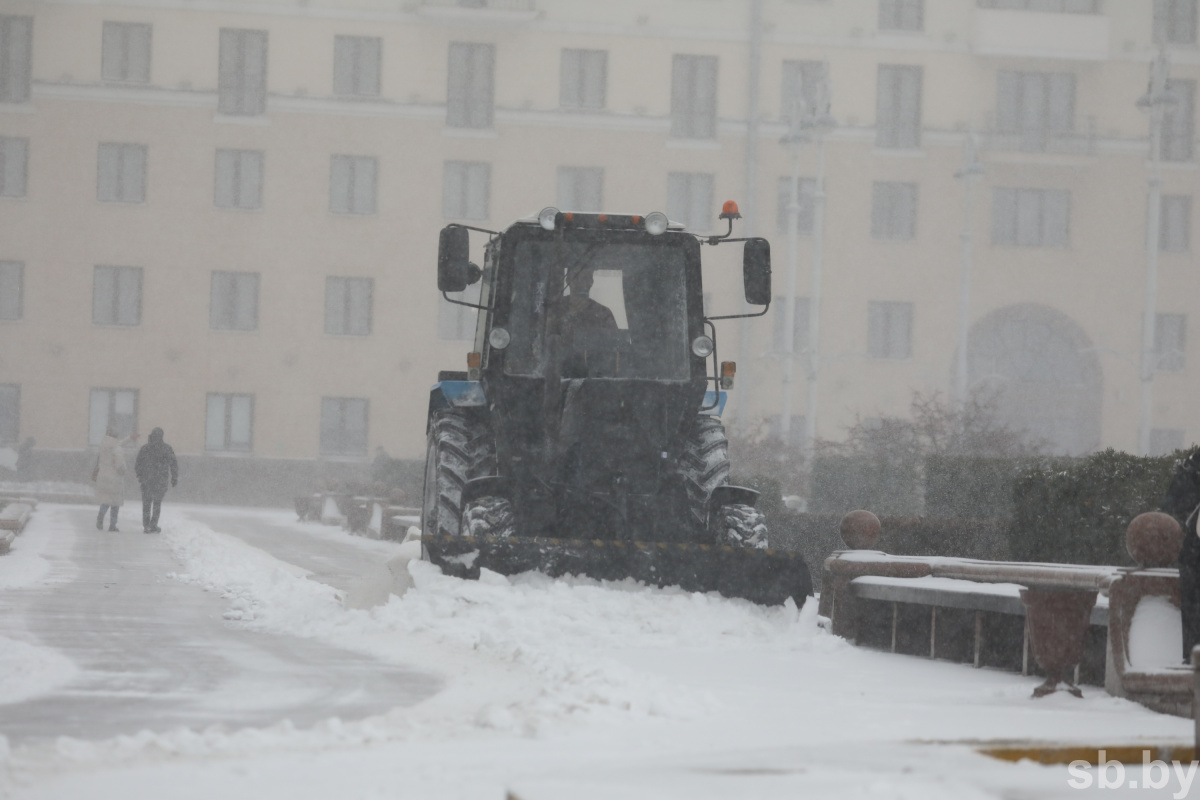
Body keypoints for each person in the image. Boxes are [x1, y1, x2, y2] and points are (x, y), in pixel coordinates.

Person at [1160, 447, 1200, 661]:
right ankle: (1190, 659)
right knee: (1193, 613)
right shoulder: (1192, 466)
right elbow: (1172, 503)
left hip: (1193, 556)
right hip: (1194, 555)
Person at [93, 427, 138, 532]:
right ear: (115, 436)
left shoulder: (104, 446)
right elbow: (120, 466)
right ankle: (112, 525)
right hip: (114, 479)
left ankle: (100, 517)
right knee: (115, 503)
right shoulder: (116, 449)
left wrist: (130, 438)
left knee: (105, 500)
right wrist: (124, 471)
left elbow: (119, 443)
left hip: (103, 477)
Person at [135, 428, 178, 534]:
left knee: (146, 503)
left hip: (147, 480)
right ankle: (153, 524)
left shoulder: (145, 448)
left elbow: (138, 464)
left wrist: (140, 476)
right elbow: (173, 464)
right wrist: (174, 477)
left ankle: (146, 525)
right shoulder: (166, 448)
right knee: (157, 503)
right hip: (160, 480)